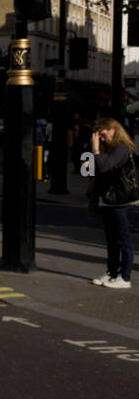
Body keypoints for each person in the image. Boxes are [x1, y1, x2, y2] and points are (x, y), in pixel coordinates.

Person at [88, 117, 136, 289]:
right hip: (106, 199)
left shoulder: (122, 148)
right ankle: (112, 273)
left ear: (113, 130)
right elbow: (88, 171)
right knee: (111, 240)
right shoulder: (106, 148)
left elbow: (105, 167)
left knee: (124, 241)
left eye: (103, 134)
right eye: (98, 136)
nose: (100, 139)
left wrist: (95, 150)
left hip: (119, 200)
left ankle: (125, 277)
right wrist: (89, 157)